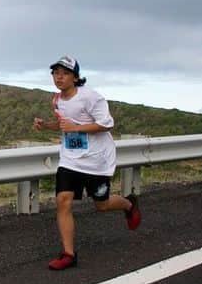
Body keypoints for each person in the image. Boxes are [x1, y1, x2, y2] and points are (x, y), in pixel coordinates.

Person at [33, 56, 142, 270]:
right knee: (63, 200)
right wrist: (46, 125)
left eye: (64, 73)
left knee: (102, 205)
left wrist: (76, 128)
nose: (59, 77)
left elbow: (106, 123)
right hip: (70, 159)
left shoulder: (91, 98)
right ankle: (68, 254)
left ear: (75, 76)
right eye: (56, 73)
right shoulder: (56, 100)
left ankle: (129, 205)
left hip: (96, 161)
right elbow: (64, 124)